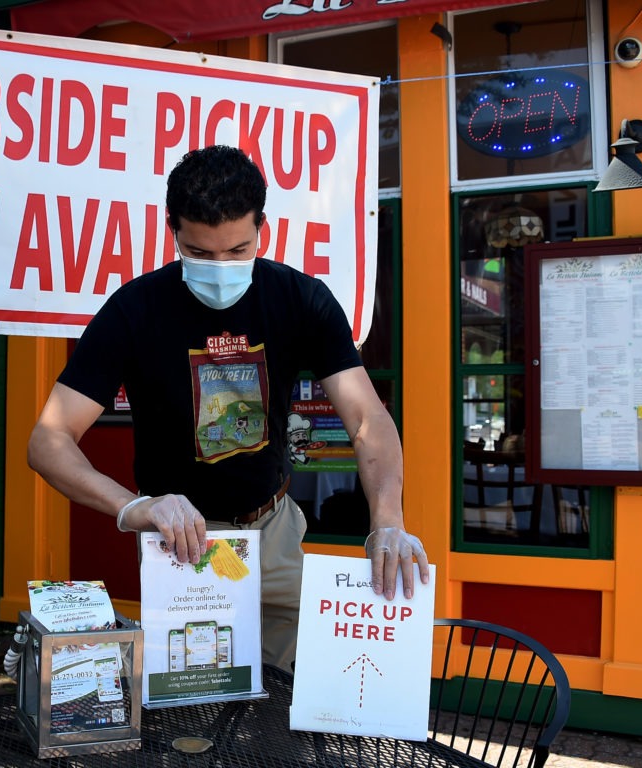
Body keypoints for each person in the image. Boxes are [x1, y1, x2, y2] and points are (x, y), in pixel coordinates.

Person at [27, 144, 429, 671]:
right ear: (172, 230)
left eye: (238, 251)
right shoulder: (134, 309)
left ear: (263, 228)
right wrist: (134, 507)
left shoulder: (300, 298)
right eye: (202, 254)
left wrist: (388, 521)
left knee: (301, 690)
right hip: (181, 544)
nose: (221, 269)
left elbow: (367, 418)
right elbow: (48, 441)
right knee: (194, 707)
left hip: (273, 526)